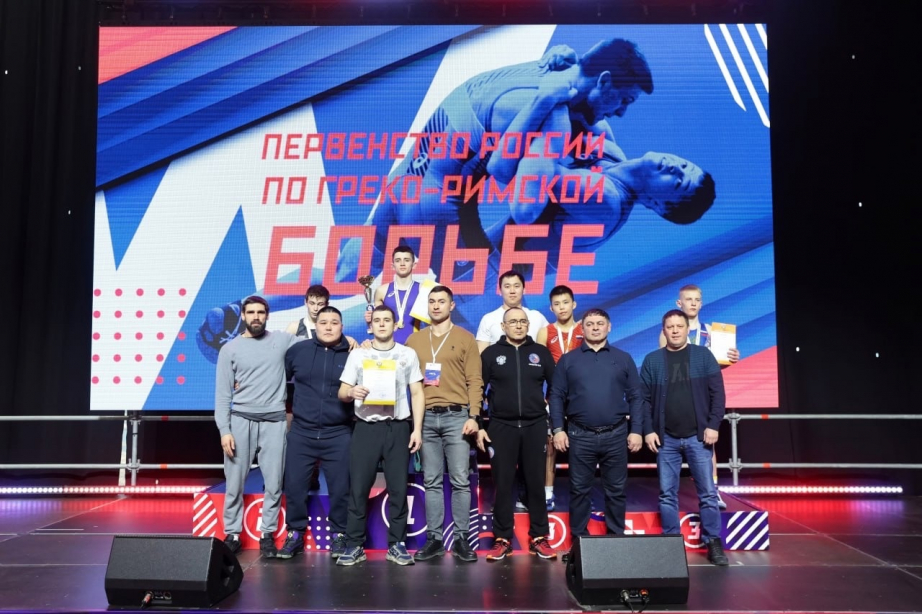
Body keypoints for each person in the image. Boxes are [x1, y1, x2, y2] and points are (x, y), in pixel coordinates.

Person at [339, 38, 653, 284]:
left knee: (342, 277)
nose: (622, 111)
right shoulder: (554, 118)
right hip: (439, 212)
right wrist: (563, 179)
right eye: (625, 100)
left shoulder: (555, 65)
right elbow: (524, 207)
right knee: (495, 324)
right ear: (604, 81)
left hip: (404, 183)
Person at [336, 305, 426, 566]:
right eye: (377, 320)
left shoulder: (407, 354)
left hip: (398, 428)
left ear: (395, 325)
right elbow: (342, 392)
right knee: (358, 488)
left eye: (387, 320)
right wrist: (351, 393)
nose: (382, 324)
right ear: (371, 325)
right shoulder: (358, 355)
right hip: (366, 428)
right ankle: (354, 545)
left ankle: (396, 545)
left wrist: (417, 429)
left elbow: (417, 393)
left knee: (398, 489)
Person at [214, 295, 301, 558]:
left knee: (274, 482)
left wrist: (352, 339)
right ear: (243, 315)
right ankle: (232, 534)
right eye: (251, 312)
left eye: (260, 312)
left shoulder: (282, 340)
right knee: (234, 482)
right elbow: (223, 395)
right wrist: (224, 430)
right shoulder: (229, 349)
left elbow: (316, 341)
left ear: (267, 315)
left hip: (274, 422)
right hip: (240, 421)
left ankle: (267, 534)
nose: (256, 317)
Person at [641, 309, 729, 566]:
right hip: (666, 438)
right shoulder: (652, 360)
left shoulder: (703, 356)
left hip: (699, 437)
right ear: (664, 330)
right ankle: (671, 544)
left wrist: (713, 425)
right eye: (670, 327)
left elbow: (718, 394)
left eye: (679, 326)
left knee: (708, 494)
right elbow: (643, 400)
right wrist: (648, 430)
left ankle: (713, 541)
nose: (675, 330)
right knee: (667, 494)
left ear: (687, 329)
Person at [404, 285, 483, 562]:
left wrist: (474, 416)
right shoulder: (414, 341)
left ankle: (462, 538)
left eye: (441, 301)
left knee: (461, 480)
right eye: (432, 301)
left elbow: (475, 380)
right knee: (432, 480)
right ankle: (435, 539)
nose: (436, 306)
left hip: (457, 417)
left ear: (451, 305)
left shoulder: (465, 338)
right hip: (425, 417)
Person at [549, 308, 643, 539]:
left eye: (600, 323)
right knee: (579, 491)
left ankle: (616, 539)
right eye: (590, 324)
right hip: (580, 435)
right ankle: (579, 543)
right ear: (582, 329)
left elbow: (636, 397)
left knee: (616, 491)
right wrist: (558, 429)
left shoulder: (623, 358)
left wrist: (637, 431)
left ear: (609, 327)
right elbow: (556, 396)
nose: (595, 328)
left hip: (616, 434)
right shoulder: (568, 360)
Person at [478, 308, 557, 560]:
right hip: (501, 426)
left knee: (535, 482)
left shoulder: (540, 352)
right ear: (503, 326)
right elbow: (478, 389)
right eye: (513, 322)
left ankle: (540, 537)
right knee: (503, 484)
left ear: (528, 325)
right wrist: (479, 424)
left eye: (523, 321)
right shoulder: (491, 354)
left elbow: (556, 387)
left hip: (535, 425)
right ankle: (502, 539)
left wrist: (549, 415)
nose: (519, 325)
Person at [276, 306, 354, 560]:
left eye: (334, 322)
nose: (328, 327)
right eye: (323, 322)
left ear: (342, 327)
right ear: (315, 325)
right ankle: (295, 533)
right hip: (302, 432)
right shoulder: (298, 351)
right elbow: (277, 381)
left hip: (338, 433)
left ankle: (339, 534)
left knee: (341, 489)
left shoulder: (354, 354)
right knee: (295, 486)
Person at [658, 284, 739, 509]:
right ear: (679, 303)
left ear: (701, 303)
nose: (692, 303)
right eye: (688, 299)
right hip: (679, 395)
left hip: (703, 394)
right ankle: (672, 495)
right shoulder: (669, 332)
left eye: (696, 299)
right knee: (676, 447)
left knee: (708, 443)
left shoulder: (712, 331)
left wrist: (729, 358)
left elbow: (715, 366)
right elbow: (669, 363)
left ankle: (713, 490)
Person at [535, 285, 583, 511]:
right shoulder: (545, 332)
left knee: (582, 448)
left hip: (581, 398)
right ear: (551, 308)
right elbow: (536, 368)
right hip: (553, 397)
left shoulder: (584, 328)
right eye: (557, 304)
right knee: (550, 446)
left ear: (574, 304)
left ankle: (581, 494)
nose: (562, 307)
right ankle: (547, 493)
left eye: (565, 302)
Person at [475, 270, 549, 353]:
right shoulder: (488, 319)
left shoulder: (537, 317)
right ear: (500, 291)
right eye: (507, 287)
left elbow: (548, 350)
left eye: (516, 286)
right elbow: (481, 354)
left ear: (524, 290)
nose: (512, 291)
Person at [364, 246, 426, 344]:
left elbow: (431, 323)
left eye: (406, 260)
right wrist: (370, 321)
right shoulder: (382, 291)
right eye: (398, 260)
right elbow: (378, 324)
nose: (402, 264)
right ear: (393, 266)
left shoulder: (423, 290)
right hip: (389, 346)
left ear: (414, 265)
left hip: (416, 345)